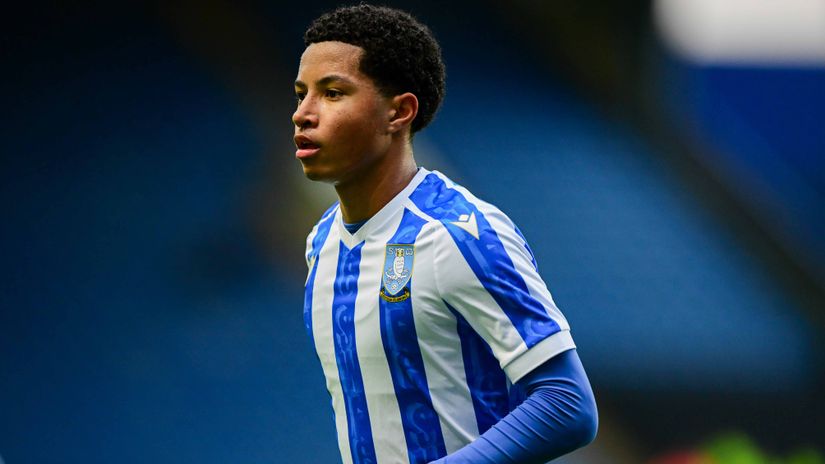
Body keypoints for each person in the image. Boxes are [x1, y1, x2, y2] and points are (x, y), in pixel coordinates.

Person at [294, 4, 597, 463]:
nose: (303, 114)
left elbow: (567, 401)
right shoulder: (322, 243)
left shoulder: (458, 232)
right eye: (301, 94)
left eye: (333, 93)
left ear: (399, 112)